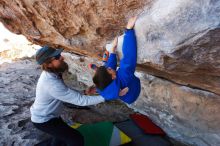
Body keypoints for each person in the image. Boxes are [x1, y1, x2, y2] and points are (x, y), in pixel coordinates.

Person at [30, 46, 105, 146]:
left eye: (59, 55)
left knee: (60, 137)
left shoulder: (52, 74)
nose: (62, 57)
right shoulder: (51, 83)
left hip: (50, 116)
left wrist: (84, 92)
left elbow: (66, 92)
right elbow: (81, 101)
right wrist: (108, 96)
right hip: (44, 120)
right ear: (48, 64)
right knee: (76, 139)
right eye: (57, 57)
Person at [92, 16, 141, 104]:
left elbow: (110, 68)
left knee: (112, 70)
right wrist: (129, 30)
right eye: (109, 70)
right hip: (134, 90)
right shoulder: (124, 77)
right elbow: (129, 57)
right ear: (113, 77)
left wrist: (112, 52)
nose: (109, 68)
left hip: (126, 96)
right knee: (127, 71)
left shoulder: (104, 84)